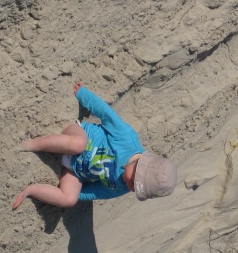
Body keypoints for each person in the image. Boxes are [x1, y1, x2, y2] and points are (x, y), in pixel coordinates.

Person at [12, 81, 177, 209]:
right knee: (79, 144)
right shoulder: (126, 139)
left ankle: (31, 190)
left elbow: (97, 192)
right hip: (77, 137)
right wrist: (82, 94)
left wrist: (75, 193)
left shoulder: (122, 187)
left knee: (69, 200)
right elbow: (106, 114)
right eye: (134, 181)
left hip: (75, 171)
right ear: (141, 164)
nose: (130, 187)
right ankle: (32, 144)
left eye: (136, 190)